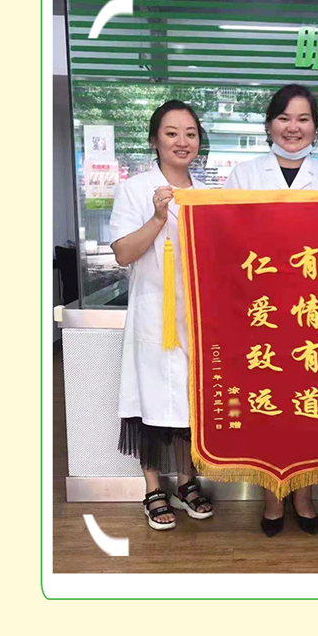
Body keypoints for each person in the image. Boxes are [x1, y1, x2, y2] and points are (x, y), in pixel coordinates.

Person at [227, 84, 318, 536]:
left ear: (315, 126)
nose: (292, 128)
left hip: (310, 314)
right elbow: (228, 242)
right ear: (269, 125)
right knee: (267, 408)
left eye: (303, 119)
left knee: (307, 409)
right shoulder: (243, 176)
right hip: (260, 312)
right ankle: (271, 498)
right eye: (283, 118)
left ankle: (304, 495)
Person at [110, 100, 214, 530]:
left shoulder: (208, 195)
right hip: (153, 314)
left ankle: (187, 483)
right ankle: (153, 488)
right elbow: (122, 254)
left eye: (190, 133)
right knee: (149, 401)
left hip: (198, 318)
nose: (182, 141)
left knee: (192, 403)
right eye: (171, 133)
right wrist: (157, 218)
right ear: (154, 140)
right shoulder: (135, 189)